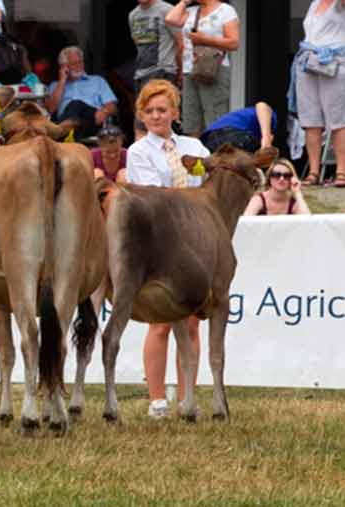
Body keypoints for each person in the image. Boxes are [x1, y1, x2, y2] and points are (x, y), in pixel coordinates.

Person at [126, 79, 208, 419]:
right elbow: (151, 195)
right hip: (159, 243)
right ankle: (157, 399)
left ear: (175, 112)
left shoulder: (196, 147)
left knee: (191, 322)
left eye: (163, 110)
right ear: (141, 116)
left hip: (196, 241)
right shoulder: (138, 152)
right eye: (150, 111)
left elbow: (208, 187)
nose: (157, 116)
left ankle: (187, 395)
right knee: (159, 322)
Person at [289, 0, 345, 187]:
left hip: (334, 62)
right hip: (309, 61)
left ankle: (341, 172)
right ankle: (313, 172)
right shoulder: (315, 4)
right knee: (310, 119)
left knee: (338, 119)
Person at [165, 0, 240, 137]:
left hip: (213, 70)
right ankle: (196, 156)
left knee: (214, 118)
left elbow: (234, 43)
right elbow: (170, 19)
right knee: (191, 120)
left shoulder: (225, 10)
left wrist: (204, 39)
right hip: (190, 70)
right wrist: (184, 2)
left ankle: (214, 156)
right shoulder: (193, 11)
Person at [44, 46, 118, 138]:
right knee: (73, 114)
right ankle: (66, 134)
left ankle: (59, 133)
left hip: (92, 120)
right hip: (70, 125)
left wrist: (105, 111)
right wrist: (62, 81)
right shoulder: (55, 85)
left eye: (81, 62)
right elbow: (50, 109)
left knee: (76, 104)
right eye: (74, 63)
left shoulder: (97, 81)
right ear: (64, 67)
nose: (79, 66)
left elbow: (112, 106)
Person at [128, 0, 182, 93]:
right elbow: (138, 44)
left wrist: (180, 73)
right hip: (140, 74)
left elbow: (181, 42)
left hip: (163, 72)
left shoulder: (167, 10)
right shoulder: (133, 15)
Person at [200, 102, 276, 153]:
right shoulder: (271, 120)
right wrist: (266, 138)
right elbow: (262, 105)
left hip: (209, 139)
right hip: (233, 133)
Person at [244, 158, 311, 216]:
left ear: (292, 179)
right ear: (269, 178)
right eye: (276, 175)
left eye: (287, 175)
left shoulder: (293, 202)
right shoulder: (259, 199)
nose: (281, 179)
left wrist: (297, 193)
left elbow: (308, 223)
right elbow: (246, 223)